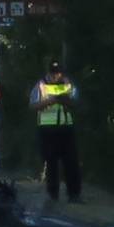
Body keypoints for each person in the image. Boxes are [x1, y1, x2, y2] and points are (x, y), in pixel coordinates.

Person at [30, 59, 82, 202]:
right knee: (51, 163)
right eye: (53, 73)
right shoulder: (41, 85)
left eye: (58, 73)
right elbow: (33, 105)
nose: (55, 76)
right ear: (48, 72)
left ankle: (74, 195)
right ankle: (53, 195)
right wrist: (51, 101)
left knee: (71, 163)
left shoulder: (68, 85)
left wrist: (64, 100)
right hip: (47, 129)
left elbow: (76, 102)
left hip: (66, 128)